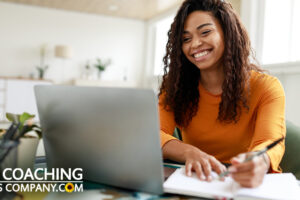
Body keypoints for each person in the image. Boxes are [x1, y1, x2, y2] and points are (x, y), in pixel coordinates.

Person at [158, 0, 285, 188]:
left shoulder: (267, 87)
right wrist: (189, 152)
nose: (195, 44)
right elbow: (154, 134)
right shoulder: (175, 88)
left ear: (228, 33)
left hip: (244, 186)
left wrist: (260, 161)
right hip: (196, 182)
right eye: (186, 39)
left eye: (205, 32)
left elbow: (270, 141)